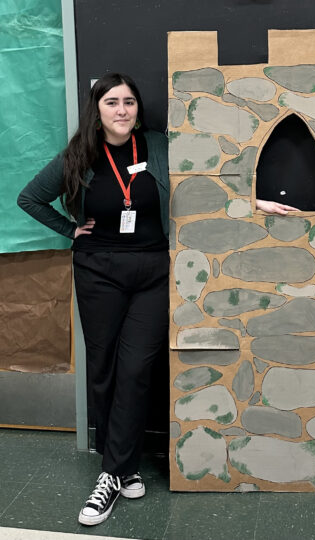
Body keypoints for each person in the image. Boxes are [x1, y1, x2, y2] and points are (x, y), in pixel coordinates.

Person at [17, 73, 169, 526]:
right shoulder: (80, 154)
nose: (122, 110)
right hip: (98, 271)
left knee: (138, 368)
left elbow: (208, 182)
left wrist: (256, 204)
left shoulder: (159, 146)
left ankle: (112, 472)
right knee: (103, 369)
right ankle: (122, 467)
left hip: (153, 272)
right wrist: (70, 230)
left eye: (129, 102)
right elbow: (31, 198)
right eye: (112, 103)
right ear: (97, 110)